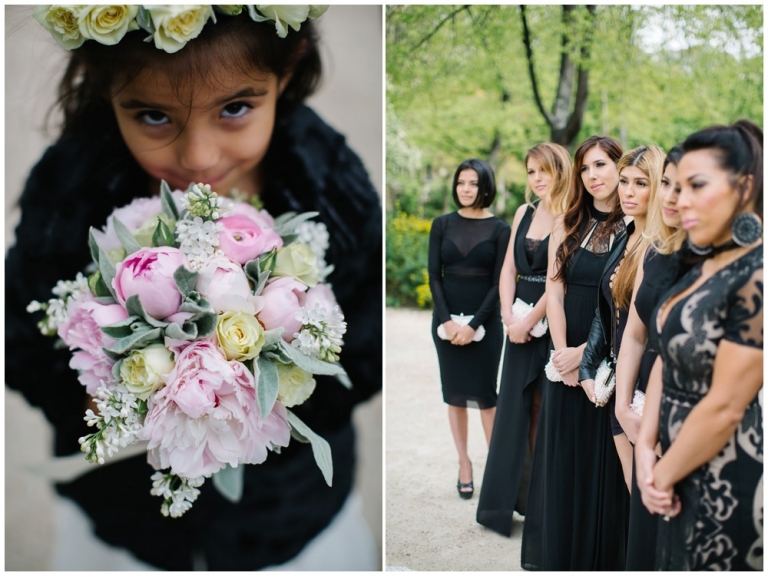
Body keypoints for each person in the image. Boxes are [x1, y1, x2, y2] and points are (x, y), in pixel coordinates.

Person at [5, 6, 381, 571]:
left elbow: (368, 350)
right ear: (104, 83)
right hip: (125, 520)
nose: (199, 158)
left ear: (288, 68)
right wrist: (113, 395)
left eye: (236, 108)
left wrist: (258, 393)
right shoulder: (72, 191)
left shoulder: (330, 187)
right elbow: (19, 339)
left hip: (290, 518)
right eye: (153, 116)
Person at [636, 120, 763, 571]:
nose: (680, 200)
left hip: (725, 473)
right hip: (671, 469)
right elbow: (664, 361)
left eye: (697, 185)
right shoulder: (701, 264)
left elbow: (727, 405)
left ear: (744, 187)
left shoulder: (757, 275)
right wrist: (645, 448)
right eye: (677, 186)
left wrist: (661, 477)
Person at [521, 135, 629, 570]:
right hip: (565, 355)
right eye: (585, 168)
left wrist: (589, 355)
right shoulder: (568, 220)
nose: (593, 175)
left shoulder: (637, 224)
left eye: (601, 165)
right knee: (565, 456)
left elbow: (628, 303)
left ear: (620, 167)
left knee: (603, 457)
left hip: (613, 354)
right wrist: (563, 353)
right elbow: (555, 287)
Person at [476, 142, 571, 535]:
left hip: (550, 318)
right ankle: (506, 503)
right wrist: (505, 314)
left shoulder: (570, 215)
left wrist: (530, 320)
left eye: (544, 171)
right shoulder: (523, 212)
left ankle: (539, 504)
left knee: (542, 409)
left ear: (560, 171)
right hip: (514, 320)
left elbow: (558, 280)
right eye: (531, 172)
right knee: (513, 411)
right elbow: (508, 269)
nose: (537, 179)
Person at [613, 146, 688, 570]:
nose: (673, 196)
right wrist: (624, 405)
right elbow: (635, 334)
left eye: (688, 186)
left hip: (683, 408)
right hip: (637, 395)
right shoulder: (653, 250)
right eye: (671, 186)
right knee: (642, 515)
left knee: (673, 517)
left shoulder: (712, 259)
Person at [579, 145, 666, 491]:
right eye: (625, 181)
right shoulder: (627, 236)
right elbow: (608, 309)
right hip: (620, 382)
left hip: (646, 384)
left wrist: (628, 399)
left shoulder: (660, 247)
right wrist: (589, 365)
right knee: (635, 496)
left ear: (659, 186)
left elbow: (643, 330)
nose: (629, 192)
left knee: (654, 494)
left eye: (641, 183)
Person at [428, 158, 511, 499]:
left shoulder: (501, 230)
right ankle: (464, 464)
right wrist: (448, 322)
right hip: (446, 324)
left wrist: (474, 324)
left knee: (486, 397)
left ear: (485, 187)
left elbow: (500, 284)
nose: (465, 188)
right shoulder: (442, 224)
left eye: (473, 183)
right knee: (455, 396)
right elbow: (434, 276)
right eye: (461, 182)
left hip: (485, 324)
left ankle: (495, 472)